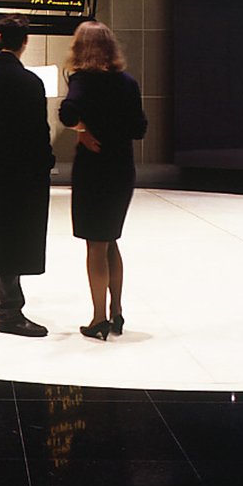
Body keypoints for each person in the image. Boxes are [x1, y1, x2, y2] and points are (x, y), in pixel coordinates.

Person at [57, 21, 147, 341]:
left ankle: (98, 320)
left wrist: (83, 131)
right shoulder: (128, 82)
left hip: (94, 170)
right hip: (122, 169)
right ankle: (117, 313)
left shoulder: (83, 80)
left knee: (96, 245)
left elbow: (67, 112)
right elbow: (140, 128)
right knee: (111, 240)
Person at [0, 14, 54, 337]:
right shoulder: (31, 83)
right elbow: (38, 131)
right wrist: (47, 161)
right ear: (25, 42)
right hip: (22, 172)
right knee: (13, 236)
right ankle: (9, 313)